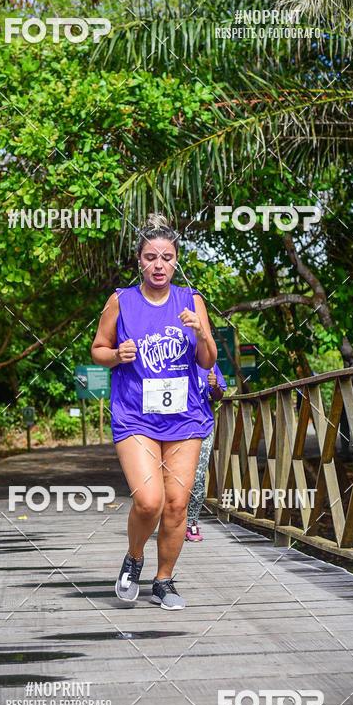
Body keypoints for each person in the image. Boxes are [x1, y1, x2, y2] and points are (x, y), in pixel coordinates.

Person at [91, 214, 217, 610]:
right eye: (151, 257)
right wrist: (115, 355)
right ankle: (134, 558)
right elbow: (98, 348)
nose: (158, 264)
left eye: (166, 256)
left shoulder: (191, 300)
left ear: (176, 260)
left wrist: (200, 332)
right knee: (149, 501)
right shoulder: (121, 301)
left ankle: (164, 581)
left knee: (177, 503)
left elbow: (209, 359)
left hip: (185, 417)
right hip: (136, 415)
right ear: (139, 262)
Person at [185, 363, 226, 541]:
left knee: (198, 477)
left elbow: (218, 396)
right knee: (172, 478)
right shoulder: (169, 357)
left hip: (203, 428)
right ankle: (172, 521)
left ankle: (191, 522)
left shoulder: (208, 363)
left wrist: (215, 385)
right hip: (173, 430)